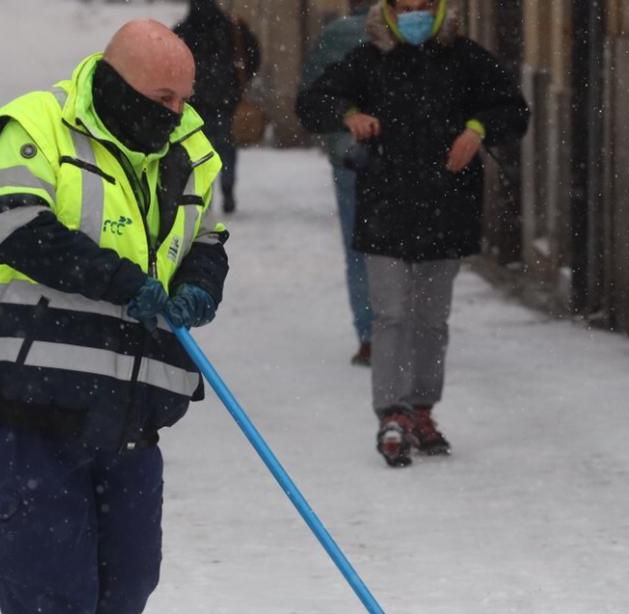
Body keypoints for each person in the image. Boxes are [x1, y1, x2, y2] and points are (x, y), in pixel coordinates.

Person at [0, 20, 230, 614]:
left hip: (135, 393)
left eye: (184, 99)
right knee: (48, 574)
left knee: (131, 577)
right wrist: (117, 281)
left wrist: (203, 278)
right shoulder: (34, 127)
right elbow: (14, 227)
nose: (175, 113)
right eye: (160, 98)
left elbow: (207, 232)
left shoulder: (190, 147)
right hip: (28, 388)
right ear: (113, 82)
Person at [296, 0, 528, 467]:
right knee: (392, 315)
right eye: (406, 7)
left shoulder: (466, 58)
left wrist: (477, 130)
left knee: (431, 319)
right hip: (385, 207)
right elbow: (311, 103)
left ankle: (421, 409)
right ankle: (391, 413)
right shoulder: (369, 58)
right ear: (390, 10)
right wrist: (348, 115)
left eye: (424, 6)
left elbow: (513, 110)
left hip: (447, 208)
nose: (416, 14)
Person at [299, 2, 375, 367]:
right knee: (405, 246)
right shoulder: (401, 35)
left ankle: (369, 335)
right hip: (401, 158)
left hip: (350, 156)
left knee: (357, 247)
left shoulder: (334, 35)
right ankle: (403, 331)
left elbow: (310, 95)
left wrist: (340, 122)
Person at [174, 0, 261, 214]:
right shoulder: (233, 29)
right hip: (226, 100)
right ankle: (227, 186)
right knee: (226, 147)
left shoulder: (184, 31)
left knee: (199, 150)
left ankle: (205, 193)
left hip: (194, 103)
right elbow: (252, 55)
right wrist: (239, 82)